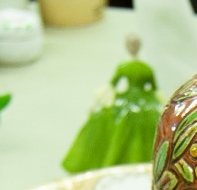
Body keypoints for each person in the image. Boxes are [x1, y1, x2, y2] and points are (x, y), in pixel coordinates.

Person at [62, 34, 163, 173]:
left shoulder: (124, 67)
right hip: (146, 101)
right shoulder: (146, 68)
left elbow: (112, 85)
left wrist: (100, 102)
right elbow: (153, 88)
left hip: (125, 100)